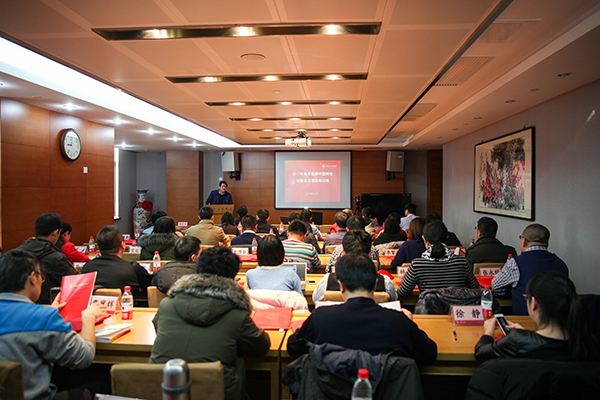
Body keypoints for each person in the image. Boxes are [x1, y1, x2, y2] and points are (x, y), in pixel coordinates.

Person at [149, 247, 270, 400]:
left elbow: (159, 330)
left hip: (161, 389)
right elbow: (260, 346)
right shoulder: (236, 313)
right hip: (216, 391)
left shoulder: (167, 305)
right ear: (232, 278)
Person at [288, 253, 437, 365]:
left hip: (331, 390)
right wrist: (411, 323)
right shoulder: (399, 321)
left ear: (341, 286)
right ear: (375, 284)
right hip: (383, 391)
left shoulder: (321, 317)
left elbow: (293, 347)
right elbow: (429, 353)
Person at [0, 249, 107, 400]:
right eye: (41, 277)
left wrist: (48, 312)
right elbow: (84, 357)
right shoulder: (43, 318)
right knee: (102, 384)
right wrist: (88, 317)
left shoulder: (42, 316)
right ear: (33, 278)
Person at [475, 271, 597, 362]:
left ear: (534, 303)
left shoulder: (517, 341)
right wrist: (527, 334)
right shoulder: (588, 343)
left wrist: (488, 333)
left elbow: (480, 352)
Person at [492, 224, 569, 315]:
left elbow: (496, 286)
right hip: (556, 320)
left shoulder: (516, 263)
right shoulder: (561, 264)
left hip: (524, 319)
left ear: (524, 241)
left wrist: (511, 289)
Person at [397, 220, 479, 298]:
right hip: (456, 307)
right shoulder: (462, 262)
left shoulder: (417, 265)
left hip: (429, 307)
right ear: (446, 238)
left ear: (424, 239)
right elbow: (475, 288)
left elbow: (403, 292)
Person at [314, 230, 396, 303]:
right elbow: (394, 300)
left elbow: (315, 300)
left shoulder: (327, 281)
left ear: (343, 252)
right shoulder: (385, 282)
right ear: (370, 253)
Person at [17, 213, 78, 304]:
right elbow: (77, 283)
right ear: (55, 233)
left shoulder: (15, 254)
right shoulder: (56, 258)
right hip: (49, 307)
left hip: (15, 307)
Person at [82, 225, 151, 304]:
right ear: (123, 245)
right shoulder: (133, 268)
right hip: (127, 310)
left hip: (93, 311)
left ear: (98, 247)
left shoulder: (87, 268)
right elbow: (150, 288)